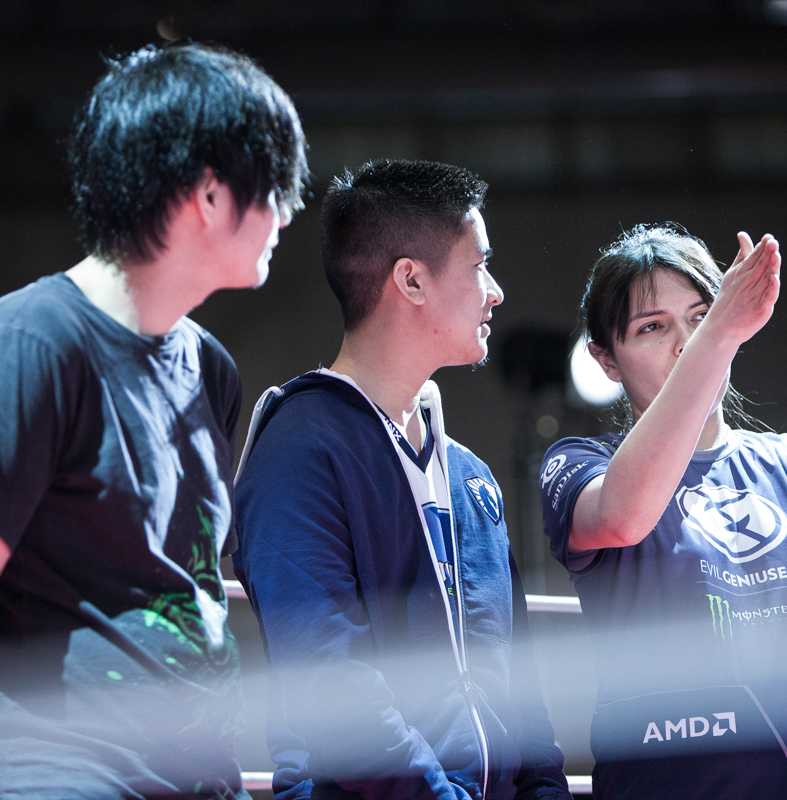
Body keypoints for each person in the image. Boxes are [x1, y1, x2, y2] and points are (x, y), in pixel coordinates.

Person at [0, 43, 307, 800]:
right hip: (53, 774)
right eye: (274, 185)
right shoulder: (28, 344)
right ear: (209, 194)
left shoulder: (211, 370)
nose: (288, 210)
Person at [539, 223, 787, 800]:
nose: (686, 343)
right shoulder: (583, 464)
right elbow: (623, 516)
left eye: (701, 317)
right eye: (652, 327)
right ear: (606, 359)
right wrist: (715, 337)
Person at [233, 159, 571, 800]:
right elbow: (334, 694)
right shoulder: (299, 449)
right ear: (411, 280)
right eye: (479, 265)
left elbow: (524, 698)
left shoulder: (469, 476)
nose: (496, 291)